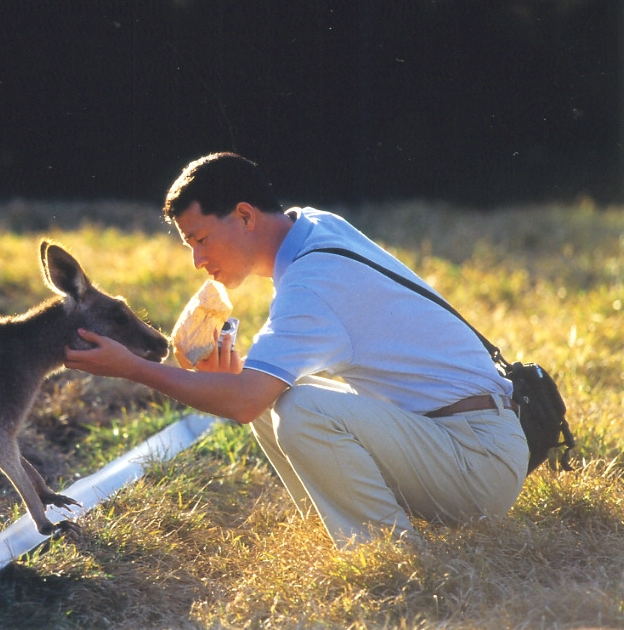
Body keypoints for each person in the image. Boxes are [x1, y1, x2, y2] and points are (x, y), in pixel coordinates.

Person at [64, 152, 529, 548]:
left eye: (200, 240)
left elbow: (244, 400)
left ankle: (388, 553)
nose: (197, 260)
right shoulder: (311, 228)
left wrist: (133, 369)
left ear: (246, 216)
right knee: (277, 395)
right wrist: (233, 381)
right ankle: (338, 526)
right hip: (462, 439)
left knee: (300, 406)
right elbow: (252, 396)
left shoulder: (310, 283)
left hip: (477, 461)